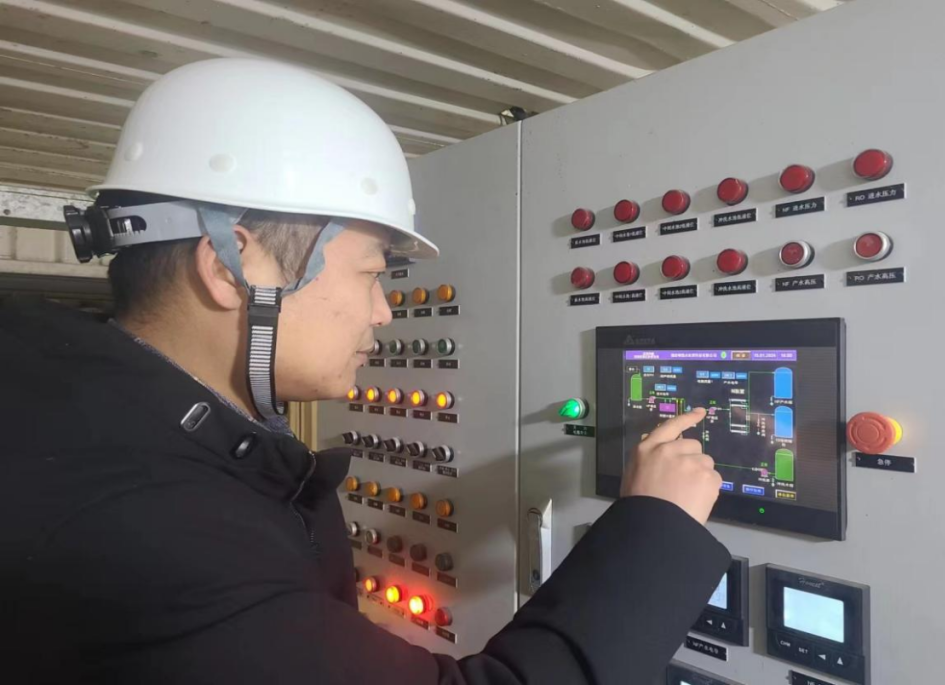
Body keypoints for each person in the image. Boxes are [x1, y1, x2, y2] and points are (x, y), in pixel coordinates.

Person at [0, 58, 729, 684]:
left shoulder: (77, 423)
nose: (383, 312)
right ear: (231, 265)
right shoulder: (147, 531)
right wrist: (657, 524)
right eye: (372, 273)